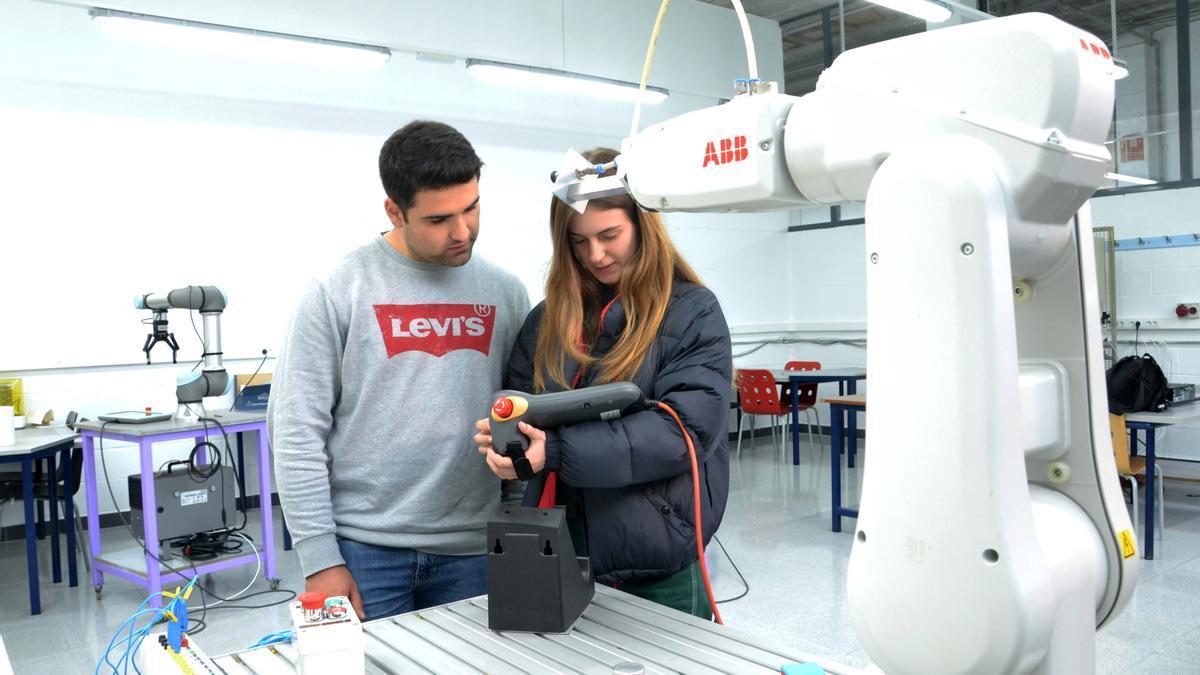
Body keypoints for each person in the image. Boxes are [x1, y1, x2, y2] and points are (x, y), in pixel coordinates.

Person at [269, 120, 530, 621]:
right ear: (395, 210)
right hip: (365, 552)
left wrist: (518, 525)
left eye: (471, 208)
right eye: (438, 219)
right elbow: (296, 432)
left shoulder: (506, 292)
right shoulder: (338, 289)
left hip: (477, 548)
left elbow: (518, 416)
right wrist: (320, 559)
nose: (462, 231)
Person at [474, 147, 732, 618]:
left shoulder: (693, 311)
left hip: (656, 560)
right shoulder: (544, 322)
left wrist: (553, 452)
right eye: (578, 242)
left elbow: (683, 434)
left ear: (643, 224)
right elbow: (519, 406)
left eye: (609, 235)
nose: (595, 254)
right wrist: (509, 446)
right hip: (557, 550)